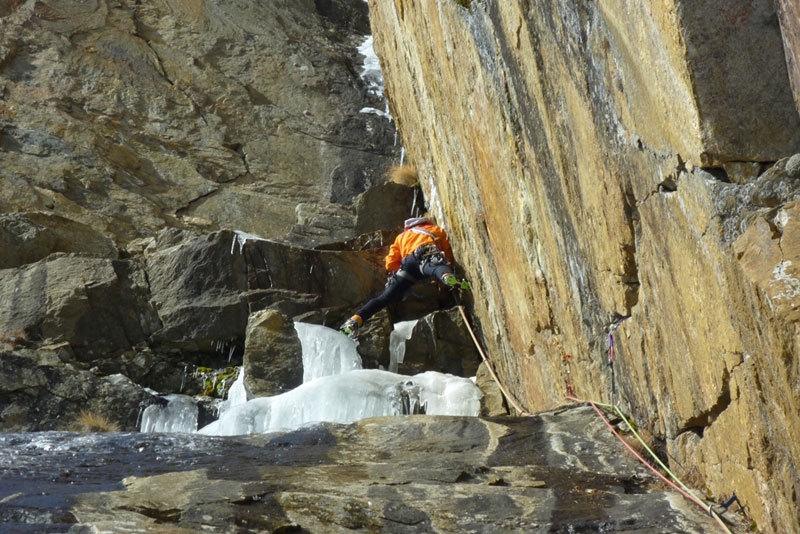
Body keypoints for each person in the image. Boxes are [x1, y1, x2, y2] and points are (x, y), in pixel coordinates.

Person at [340, 216, 470, 337]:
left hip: (407, 265)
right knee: (435, 267)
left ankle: (354, 321)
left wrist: (400, 274)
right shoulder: (435, 229)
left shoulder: (401, 237)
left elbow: (390, 263)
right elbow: (447, 252)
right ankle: (446, 276)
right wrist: (444, 274)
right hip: (426, 254)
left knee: (385, 298)